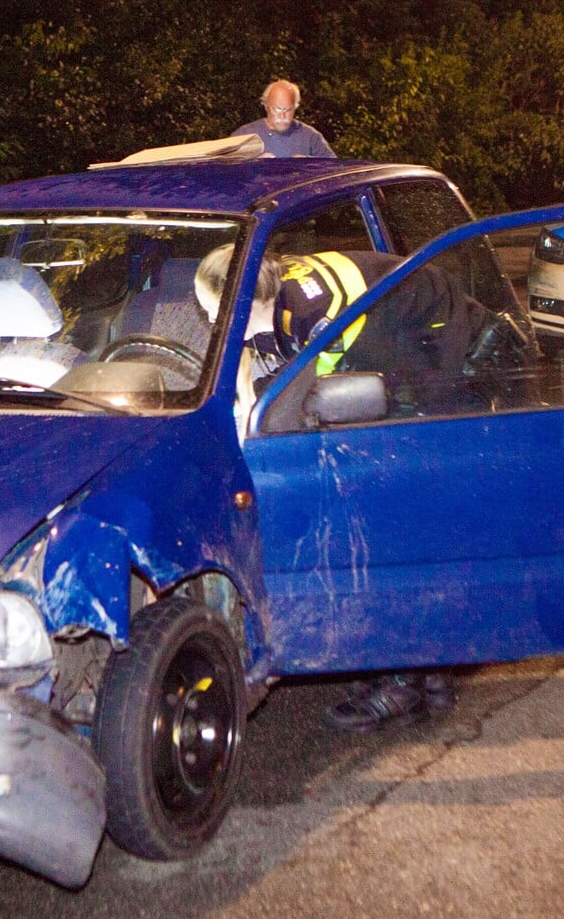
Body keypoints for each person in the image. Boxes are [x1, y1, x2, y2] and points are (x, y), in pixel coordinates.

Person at [196, 243, 488, 731]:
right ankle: (429, 666)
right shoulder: (268, 298)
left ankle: (403, 679)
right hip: (397, 335)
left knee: (385, 519)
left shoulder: (321, 321)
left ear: (247, 305)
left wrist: (259, 433)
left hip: (435, 341)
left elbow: (331, 398)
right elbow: (244, 358)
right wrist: (243, 408)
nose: (209, 322)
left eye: (214, 312)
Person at [232, 79, 335, 159]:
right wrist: (254, 165)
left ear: (295, 107)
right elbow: (224, 169)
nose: (282, 116)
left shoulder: (311, 137)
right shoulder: (244, 135)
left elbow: (334, 169)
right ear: (266, 106)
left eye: (288, 110)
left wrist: (308, 164)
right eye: (277, 109)